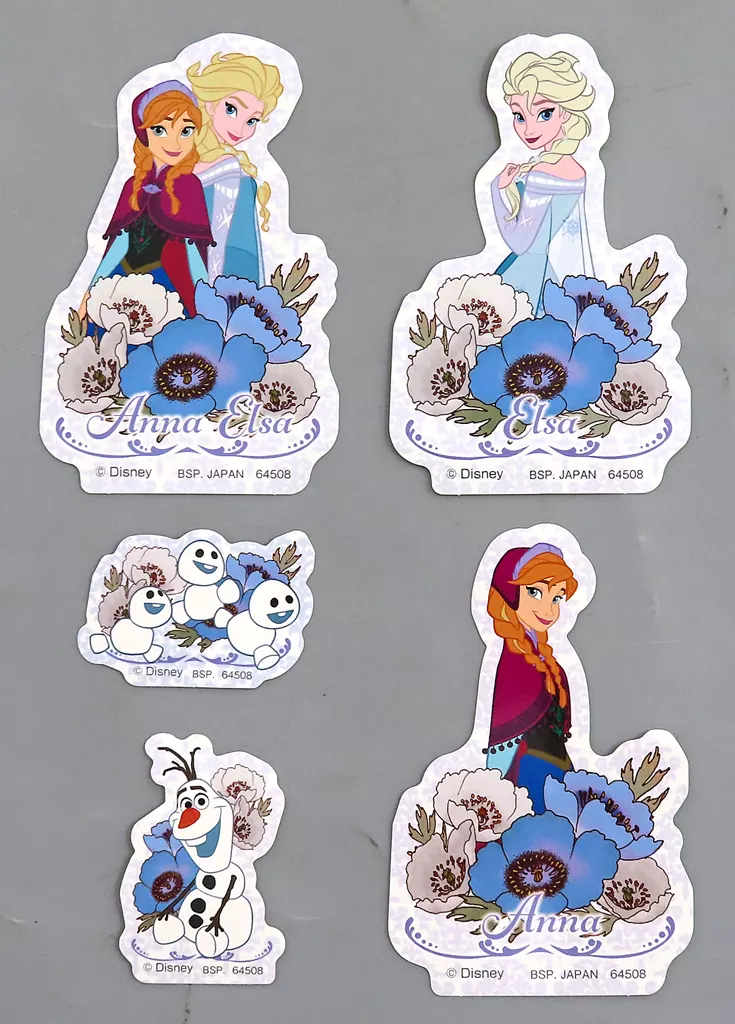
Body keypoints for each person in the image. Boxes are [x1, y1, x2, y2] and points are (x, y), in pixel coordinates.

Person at [90, 81, 214, 316]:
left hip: (169, 287)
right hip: (120, 280)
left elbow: (195, 254)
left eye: (185, 131)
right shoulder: (133, 185)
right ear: (144, 133)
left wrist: (206, 304)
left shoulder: (190, 187)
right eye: (160, 130)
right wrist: (91, 292)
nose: (174, 143)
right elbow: (118, 245)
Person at [491, 51, 595, 314]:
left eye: (545, 113)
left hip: (526, 275)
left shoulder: (541, 173)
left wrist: (498, 189)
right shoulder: (579, 171)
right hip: (553, 276)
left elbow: (520, 243)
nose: (529, 129)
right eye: (519, 116)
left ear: (566, 114)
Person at [484, 542, 578, 811]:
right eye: (535, 592)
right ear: (510, 594)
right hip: (526, 771)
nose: (548, 610)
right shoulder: (512, 661)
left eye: (557, 598)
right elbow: (502, 733)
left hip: (555, 767)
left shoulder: (545, 660)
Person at [187, 52, 283, 284]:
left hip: (213, 287)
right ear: (210, 103)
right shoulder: (173, 157)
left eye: (252, 121)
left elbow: (243, 253)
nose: (239, 129)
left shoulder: (238, 177)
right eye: (231, 109)